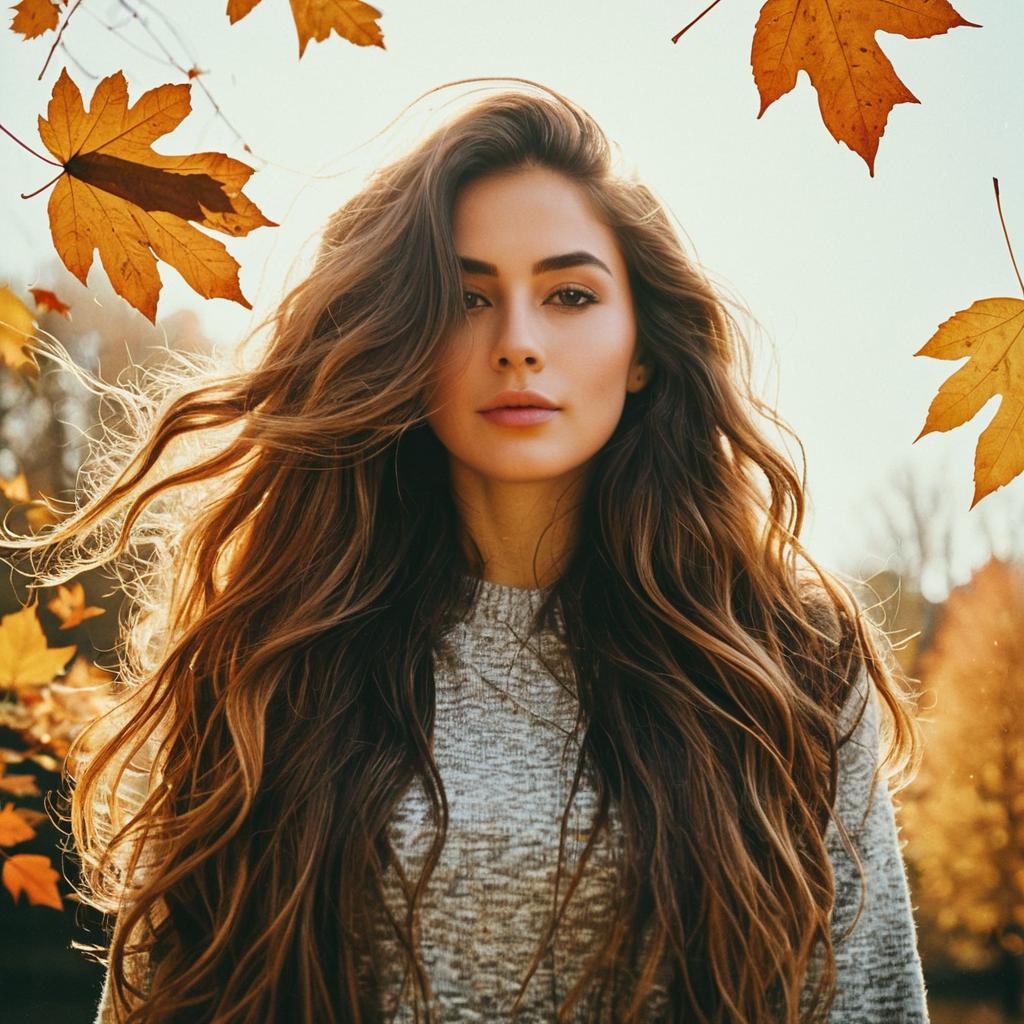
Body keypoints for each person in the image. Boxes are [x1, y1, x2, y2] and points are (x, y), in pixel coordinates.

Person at [5, 77, 930, 1023]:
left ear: (643, 345)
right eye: (465, 298)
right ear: (404, 338)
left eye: (570, 294)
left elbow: (872, 1002)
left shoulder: (790, 660)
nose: (519, 342)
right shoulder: (274, 650)